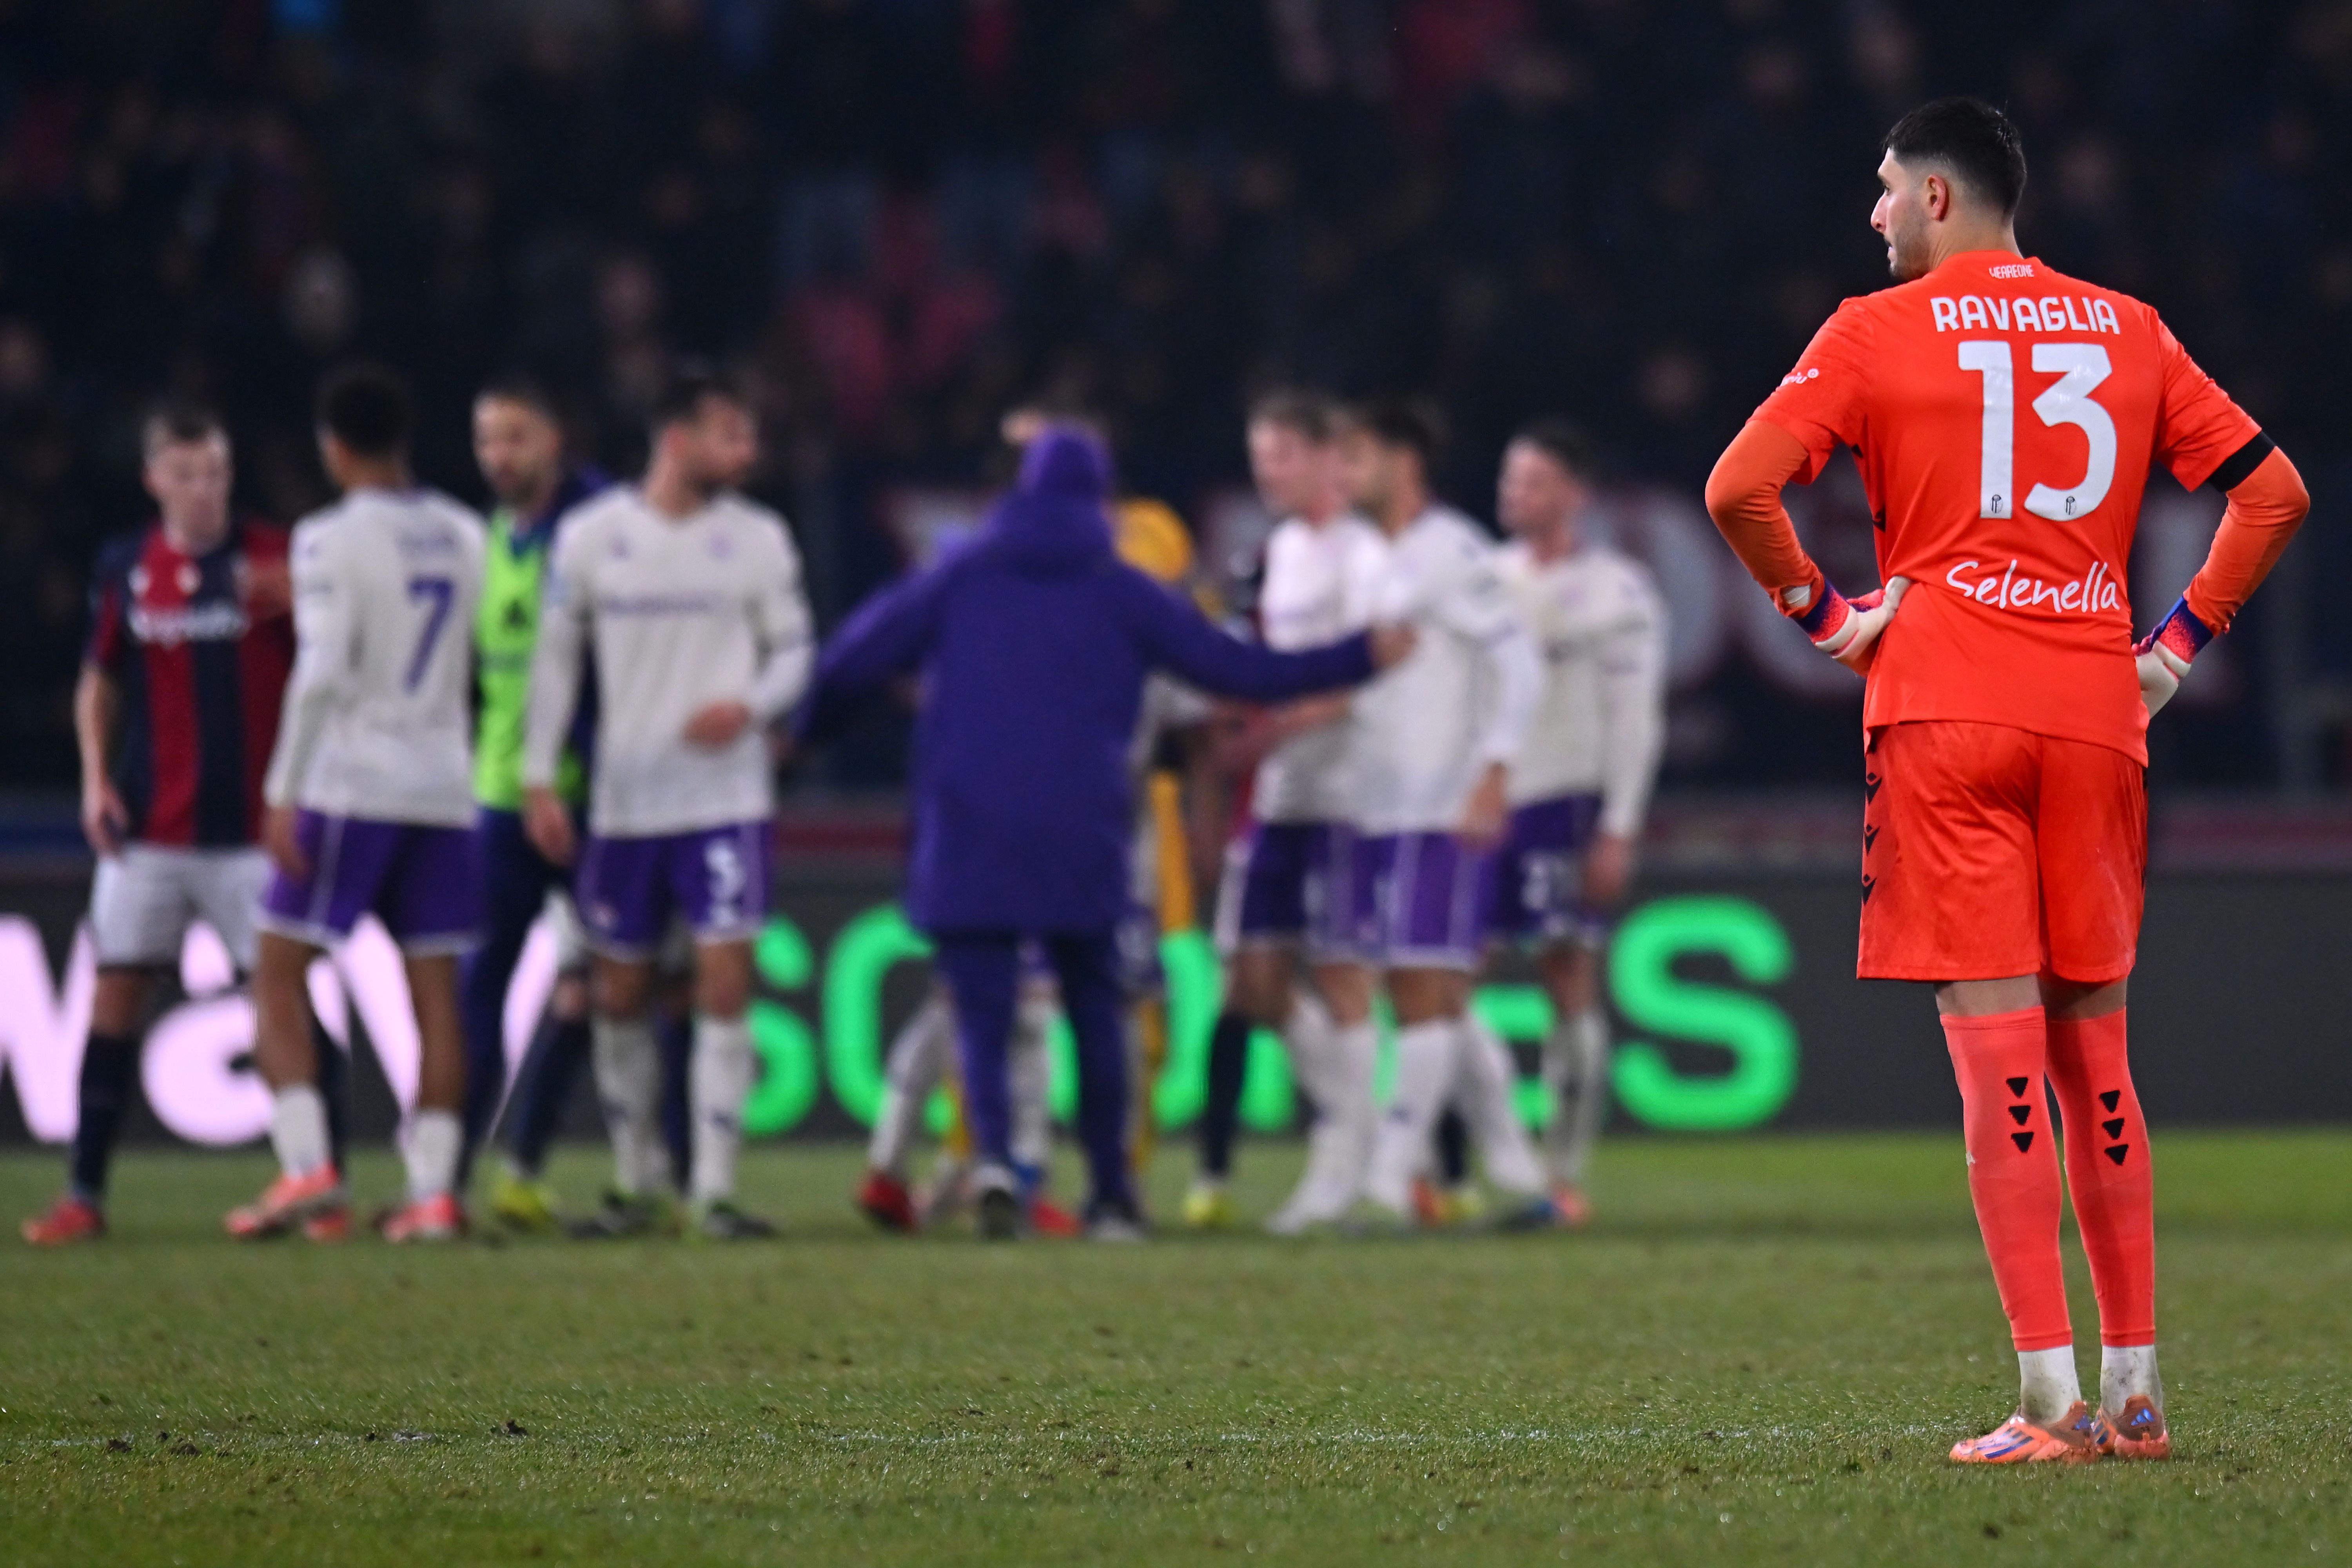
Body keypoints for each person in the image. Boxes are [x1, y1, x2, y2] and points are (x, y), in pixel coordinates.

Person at [1704, 98, 2307, 1464]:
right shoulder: (2130, 327)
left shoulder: (1872, 331)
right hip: (2098, 714)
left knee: (1999, 1070)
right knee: (2101, 1056)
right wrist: (2176, 649)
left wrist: (1831, 620)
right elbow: (2276, 497)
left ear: (1934, 198)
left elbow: (1738, 489)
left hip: (1948, 713)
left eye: (1881, 190)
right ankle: (2139, 1394)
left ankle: (2048, 1405)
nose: (1869, 217)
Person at [799, 426, 1408, 1240]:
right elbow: (1240, 671)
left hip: (969, 824)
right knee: (1097, 1009)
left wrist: (802, 735)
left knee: (980, 1010)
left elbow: (853, 659)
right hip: (1083, 828)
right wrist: (1360, 656)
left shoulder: (960, 573)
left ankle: (995, 1163)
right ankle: (1113, 1191)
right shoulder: (1122, 589)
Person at [521, 366, 813, 1240]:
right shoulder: (591, 539)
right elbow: (555, 667)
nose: (748, 450)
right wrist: (540, 776)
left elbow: (797, 651)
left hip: (725, 801)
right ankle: (638, 1179)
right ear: (677, 438)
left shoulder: (760, 539)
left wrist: (754, 705)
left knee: (725, 982)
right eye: (730, 432)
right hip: (624, 804)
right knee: (620, 992)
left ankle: (715, 1189)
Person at [20, 405, 305, 1244]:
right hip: (151, 832)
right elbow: (98, 680)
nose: (203, 488)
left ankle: (317, 1180)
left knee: (282, 1003)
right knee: (113, 998)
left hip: (255, 835)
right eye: (185, 473)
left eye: (215, 471)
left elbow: (327, 666)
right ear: (155, 480)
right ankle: (84, 1192)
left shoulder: (274, 559)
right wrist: (96, 778)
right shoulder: (128, 566)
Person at [234, 364, 487, 1243]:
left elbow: (326, 669)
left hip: (354, 783)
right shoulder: (464, 532)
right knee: (436, 998)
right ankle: (434, 1193)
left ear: (333, 448)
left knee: (274, 971)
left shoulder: (326, 537)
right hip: (445, 786)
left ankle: (307, 1166)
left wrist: (282, 790)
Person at [1342, 399, 1558, 1230]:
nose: (1344, 474)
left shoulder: (1451, 549)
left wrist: (1493, 771)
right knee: (1438, 993)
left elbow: (1520, 664)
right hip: (1379, 810)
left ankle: (1391, 1184)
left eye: (1356, 456)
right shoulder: (1369, 557)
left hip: (1441, 805)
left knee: (1421, 986)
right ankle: (1519, 1173)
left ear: (1403, 462)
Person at [1184, 390, 1390, 1234]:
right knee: (1254, 983)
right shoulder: (1269, 559)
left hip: (1350, 795)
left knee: (1344, 978)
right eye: (1260, 456)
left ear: (1321, 457)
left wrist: (1277, 727)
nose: (1267, 472)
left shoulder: (1365, 554)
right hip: (1277, 800)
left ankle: (1340, 1169)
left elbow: (1374, 673)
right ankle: (1363, 1136)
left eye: (1280, 456)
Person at [1485, 420, 1666, 1224]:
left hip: (1563, 803)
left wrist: (1620, 824)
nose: (1512, 492)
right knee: (1441, 979)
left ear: (1572, 494)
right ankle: (1457, 1164)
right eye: (1510, 477)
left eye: (1531, 480)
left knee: (1566, 974)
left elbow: (1636, 719)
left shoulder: (1616, 591)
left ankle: (1562, 1174)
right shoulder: (1483, 580)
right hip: (1480, 805)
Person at [457, 376, 612, 1228]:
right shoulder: (488, 540)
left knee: (601, 987)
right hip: (496, 798)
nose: (499, 456)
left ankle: (527, 1165)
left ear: (556, 438)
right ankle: (443, 1178)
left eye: (515, 436)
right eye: (487, 439)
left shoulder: (599, 531)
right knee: (485, 987)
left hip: (592, 801)